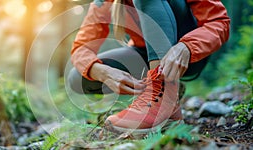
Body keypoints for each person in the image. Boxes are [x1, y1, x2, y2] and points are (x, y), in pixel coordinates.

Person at [67, 0, 230, 134]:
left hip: (189, 52)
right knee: (77, 78)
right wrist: (103, 72)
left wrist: (188, 47)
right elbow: (82, 47)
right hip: (146, 53)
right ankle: (161, 96)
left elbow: (219, 21)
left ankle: (164, 96)